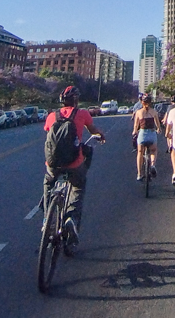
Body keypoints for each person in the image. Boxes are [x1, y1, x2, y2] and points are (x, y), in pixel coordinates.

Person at [43, 86, 105, 245]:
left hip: (53, 162)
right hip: (74, 161)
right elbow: (93, 130)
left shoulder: (51, 116)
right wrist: (101, 135)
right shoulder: (82, 113)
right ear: (76, 100)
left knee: (48, 182)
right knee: (78, 185)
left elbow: (49, 133)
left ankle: (46, 221)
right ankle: (71, 217)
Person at [132, 93, 161, 181]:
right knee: (154, 150)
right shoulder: (154, 112)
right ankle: (152, 165)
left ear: (142, 102)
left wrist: (134, 132)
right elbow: (158, 126)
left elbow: (136, 126)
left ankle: (139, 173)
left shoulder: (138, 112)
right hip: (151, 134)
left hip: (142, 134)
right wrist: (159, 129)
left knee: (140, 152)